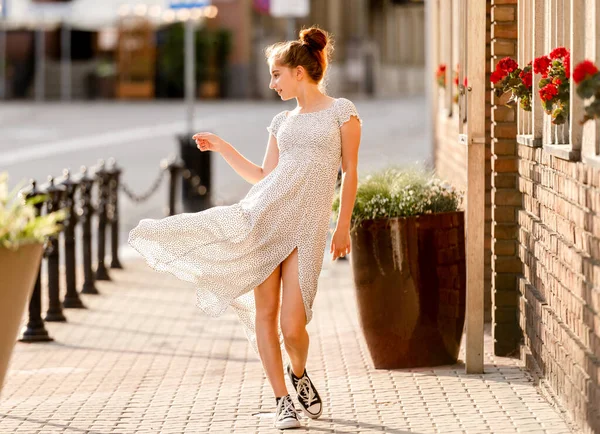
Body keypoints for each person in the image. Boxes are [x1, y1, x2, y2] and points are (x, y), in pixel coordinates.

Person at [128, 26, 362, 430]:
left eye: (276, 74)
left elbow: (352, 172)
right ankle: (282, 401)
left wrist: (343, 228)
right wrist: (223, 147)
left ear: (298, 72)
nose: (271, 83)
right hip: (262, 221)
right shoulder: (281, 121)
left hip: (308, 230)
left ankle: (299, 372)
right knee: (266, 315)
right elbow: (262, 175)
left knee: (294, 326)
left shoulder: (342, 111)